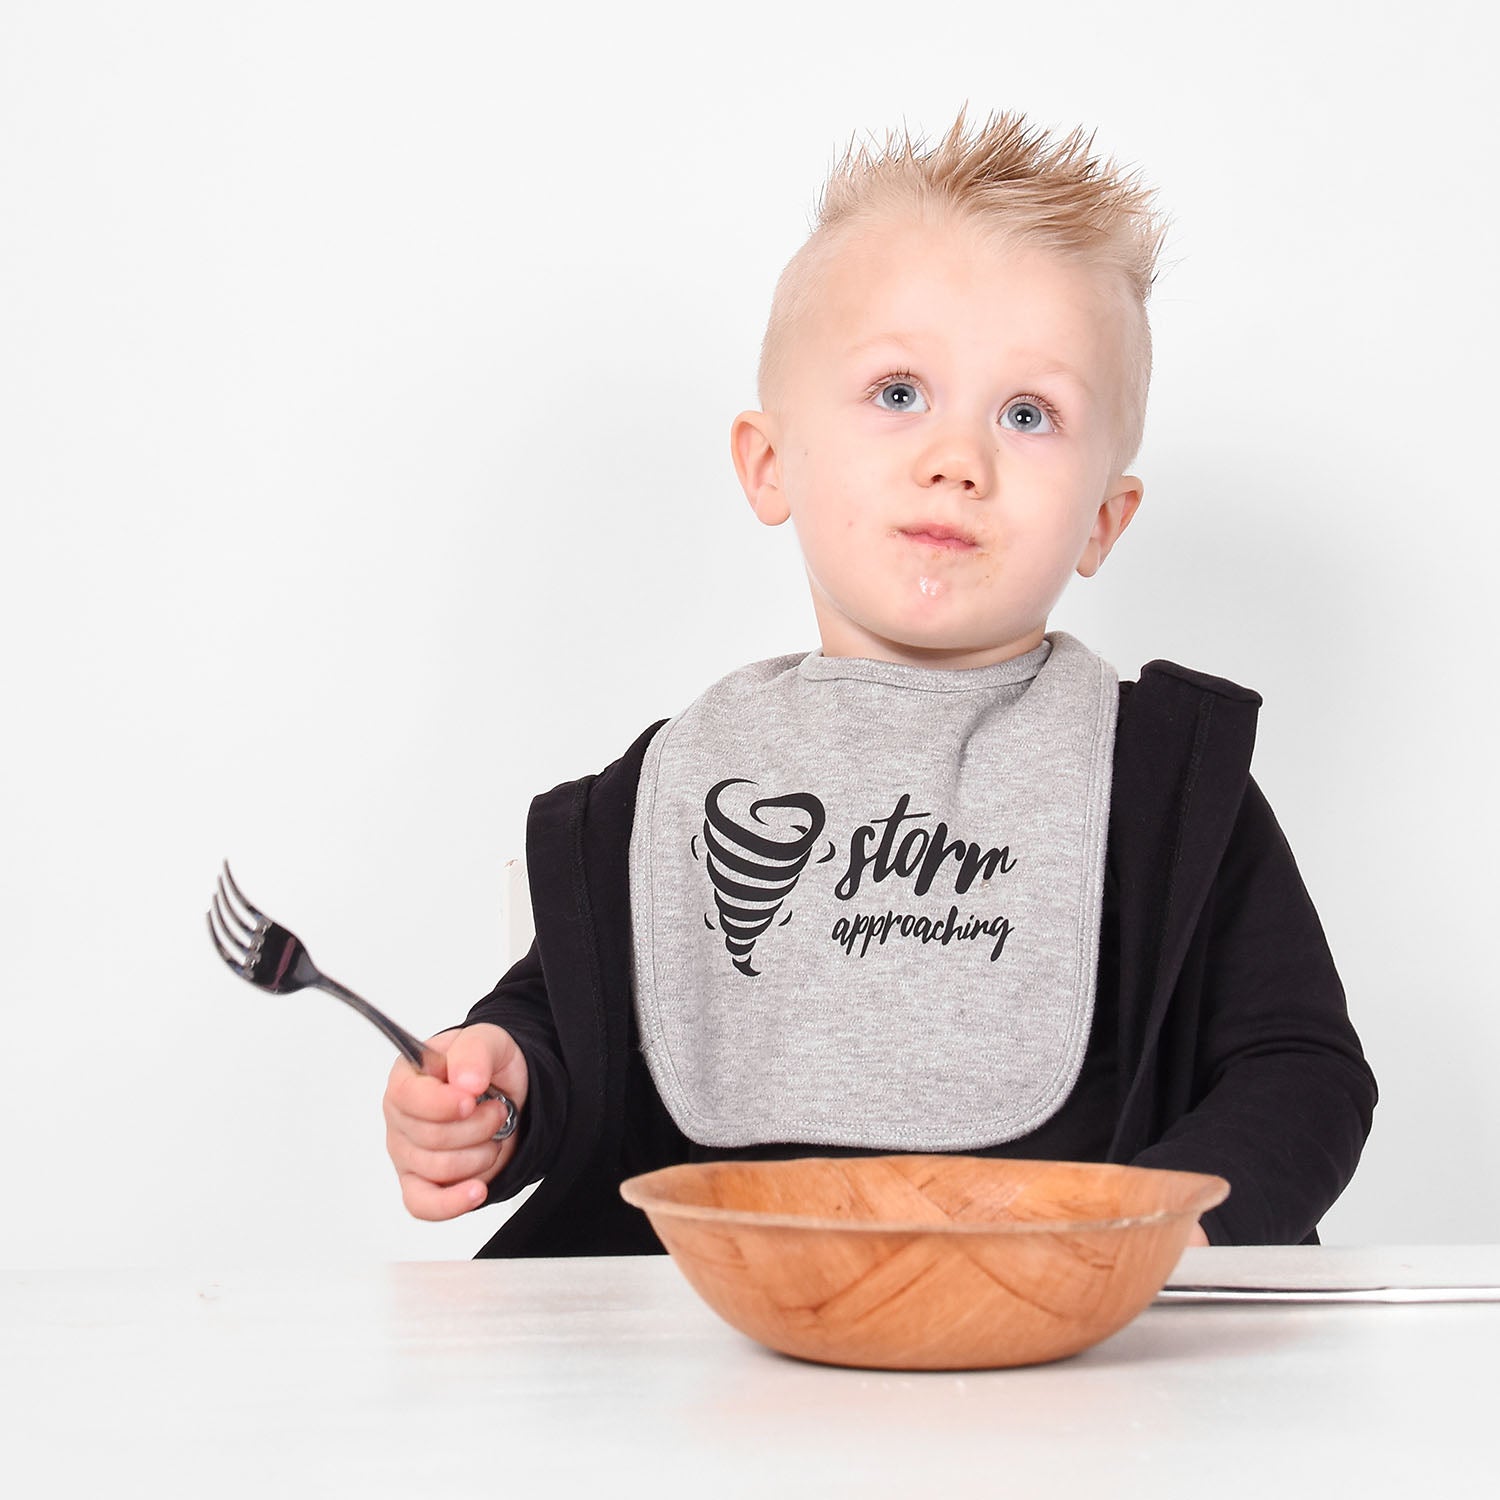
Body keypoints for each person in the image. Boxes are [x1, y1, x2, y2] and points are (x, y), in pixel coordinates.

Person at [382, 105, 1377, 1255]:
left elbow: (1302, 1073)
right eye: (899, 392)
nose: (959, 458)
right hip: (716, 1372)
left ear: (1104, 520)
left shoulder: (1158, 785)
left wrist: (1158, 1238)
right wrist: (504, 1085)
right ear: (770, 463)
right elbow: (572, 1018)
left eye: (1028, 413)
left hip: (1070, 1380)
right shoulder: (688, 775)